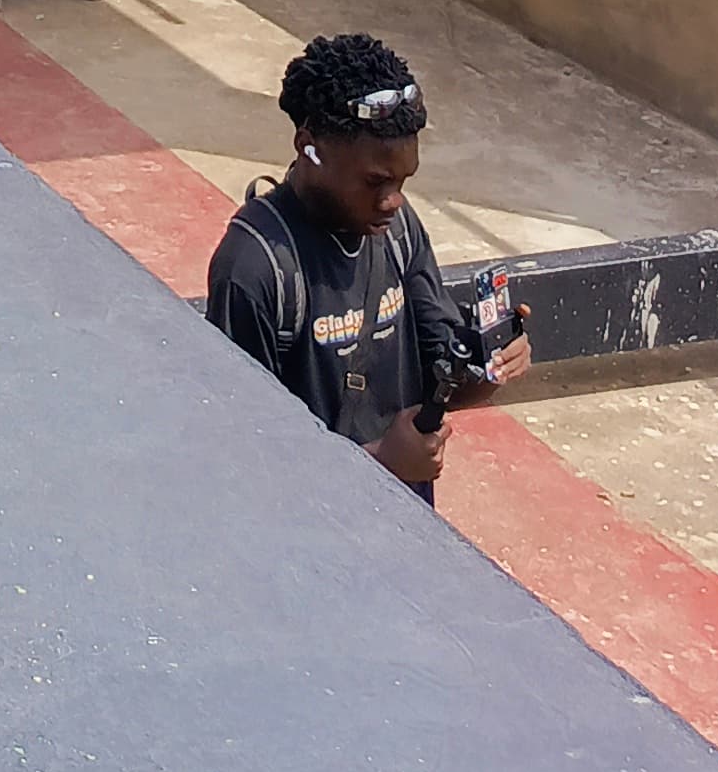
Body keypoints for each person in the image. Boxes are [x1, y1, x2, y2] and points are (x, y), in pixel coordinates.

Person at [204, 34, 525, 505]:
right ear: (309, 148)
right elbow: (243, 453)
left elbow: (443, 374)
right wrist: (378, 462)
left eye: (402, 181)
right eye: (375, 181)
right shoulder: (254, 267)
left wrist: (490, 364)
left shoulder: (396, 231)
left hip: (402, 525)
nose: (392, 200)